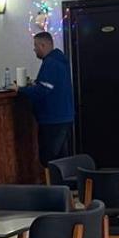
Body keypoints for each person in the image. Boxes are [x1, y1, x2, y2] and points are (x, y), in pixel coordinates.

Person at [18, 30, 75, 165]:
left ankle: (52, 180)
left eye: (35, 45)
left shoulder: (51, 63)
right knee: (62, 160)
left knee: (50, 160)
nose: (34, 49)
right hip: (64, 116)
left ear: (43, 45)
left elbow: (42, 90)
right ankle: (63, 180)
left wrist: (21, 89)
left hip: (52, 119)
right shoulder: (61, 60)